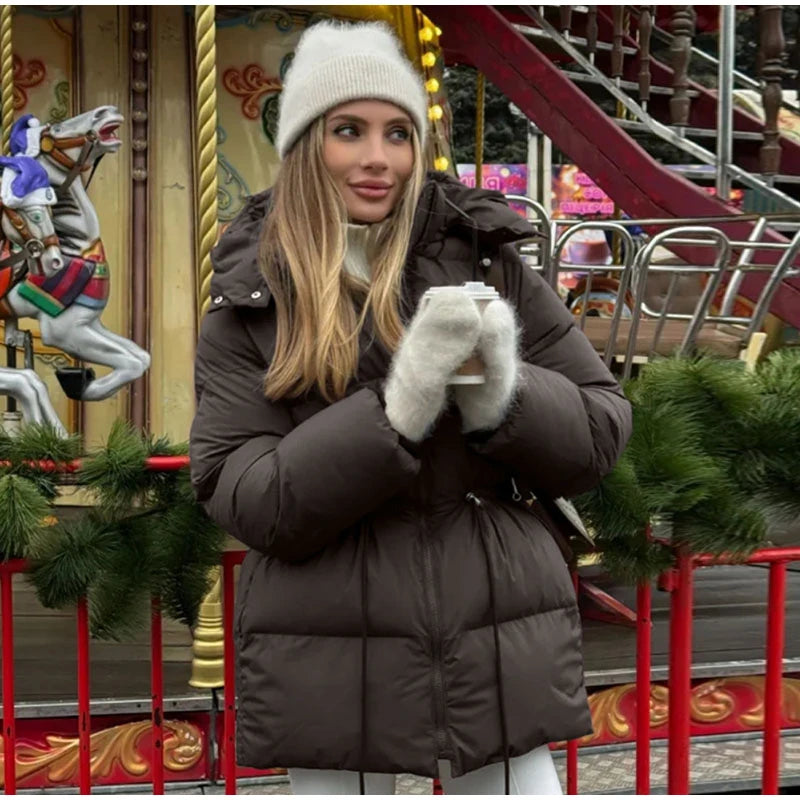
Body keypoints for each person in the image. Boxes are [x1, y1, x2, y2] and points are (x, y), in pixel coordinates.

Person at [190, 20, 632, 796]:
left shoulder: (485, 256)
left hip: (497, 631)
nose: (377, 158)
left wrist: (501, 394)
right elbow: (249, 497)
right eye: (349, 131)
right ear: (304, 146)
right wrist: (400, 407)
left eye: (399, 133)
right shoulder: (250, 304)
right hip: (331, 648)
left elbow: (598, 429)